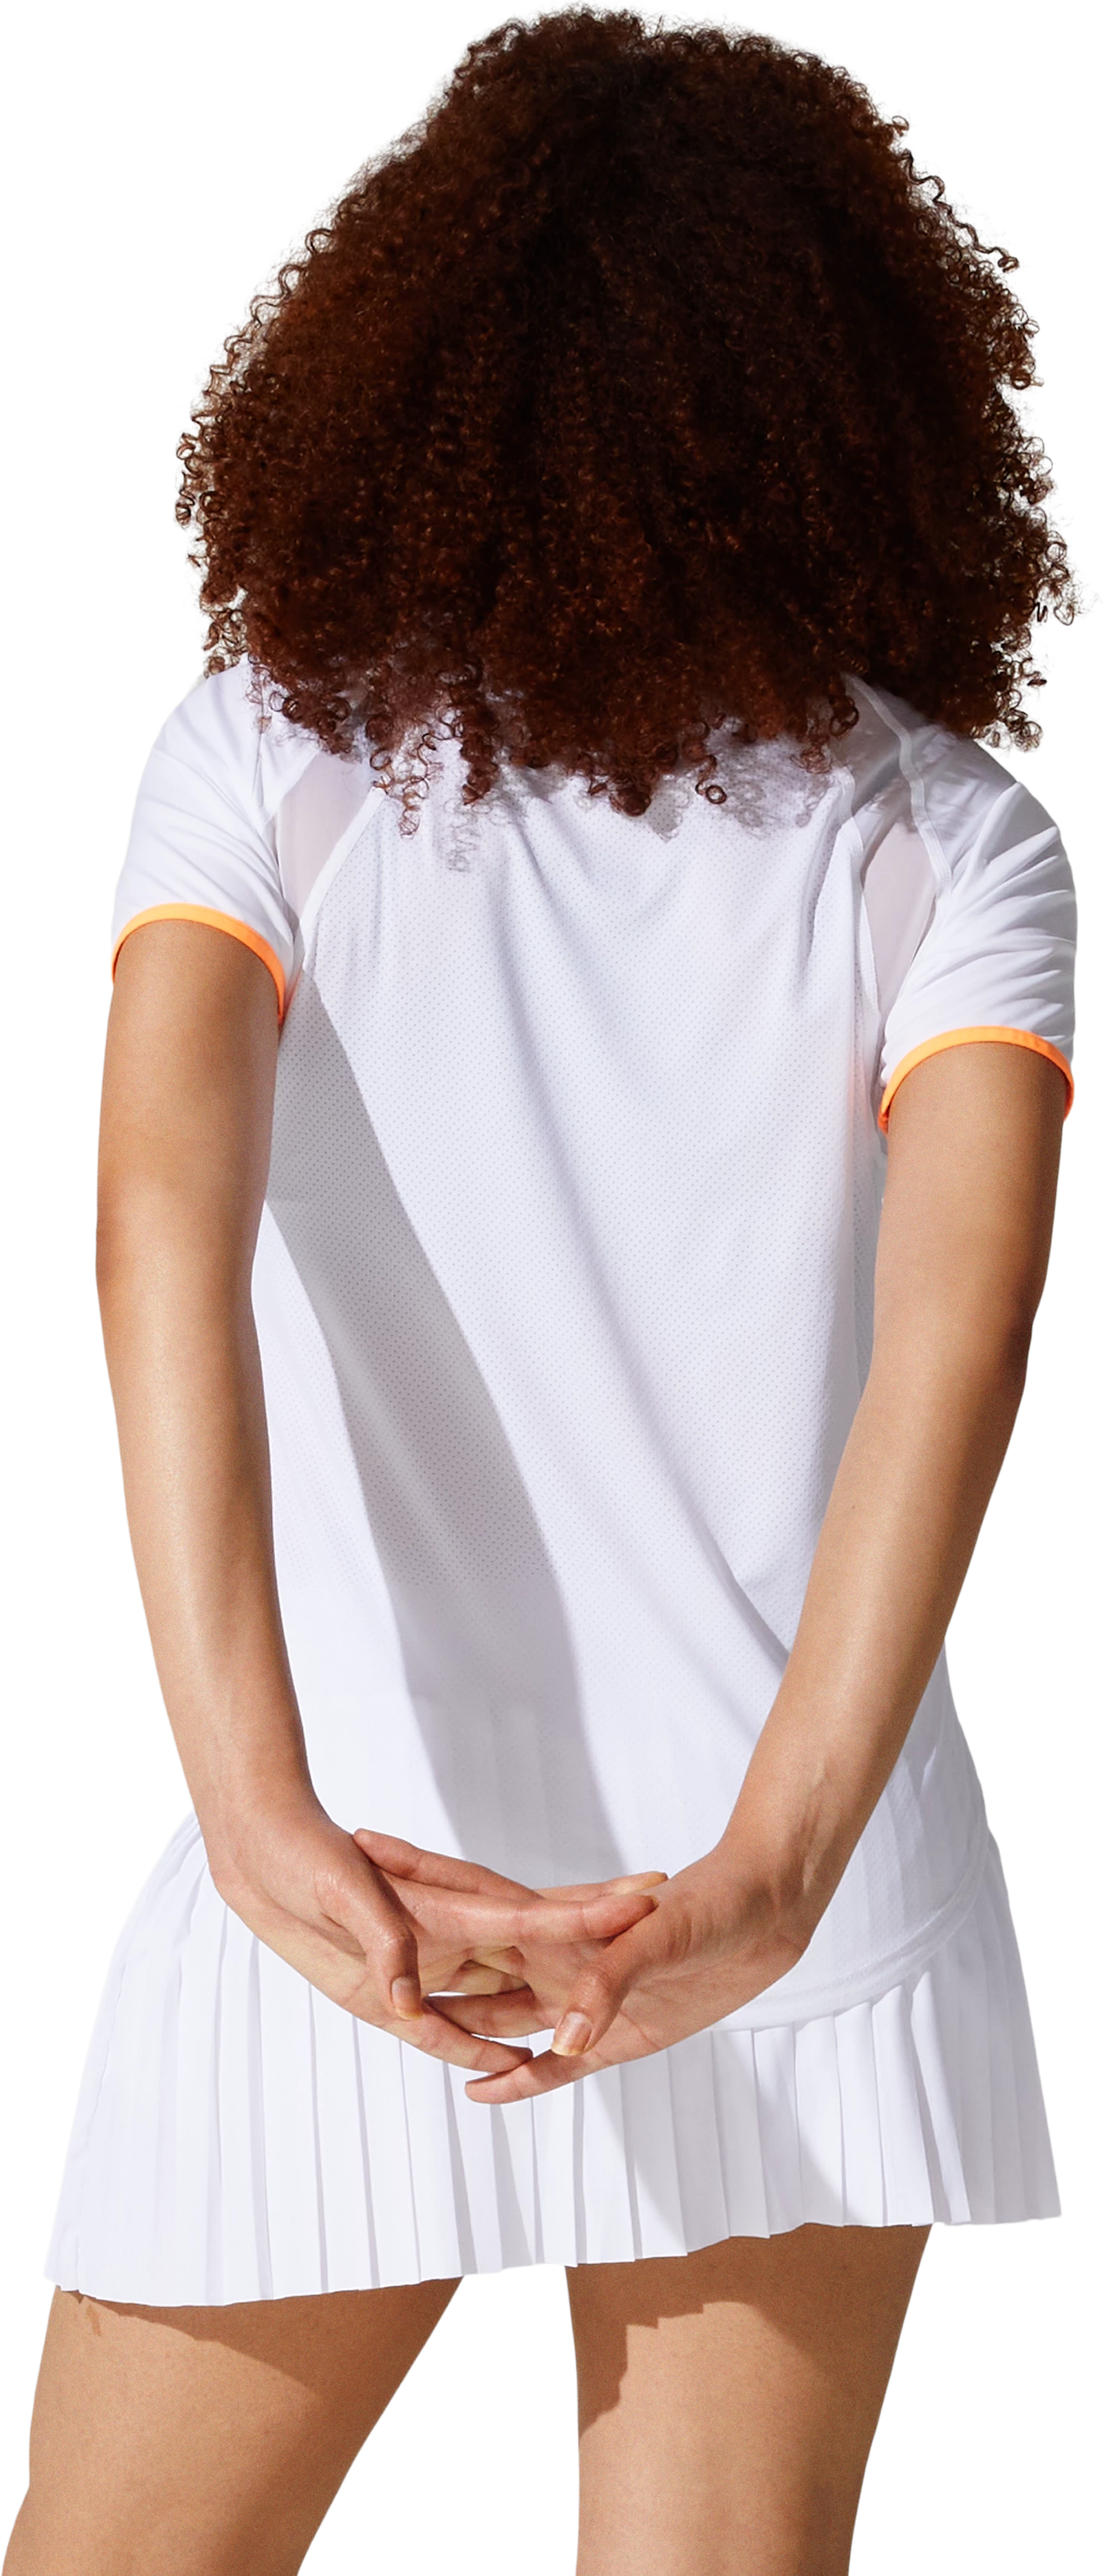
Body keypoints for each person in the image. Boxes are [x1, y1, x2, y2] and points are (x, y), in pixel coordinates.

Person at [9, 8, 1084, 2571]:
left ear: (400, 367)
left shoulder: (252, 760)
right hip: (794, 1866)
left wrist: (259, 1812)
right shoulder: (955, 842)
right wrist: (772, 1875)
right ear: (871, 400)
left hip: (343, 1853)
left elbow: (153, 1229)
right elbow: (960, 1349)